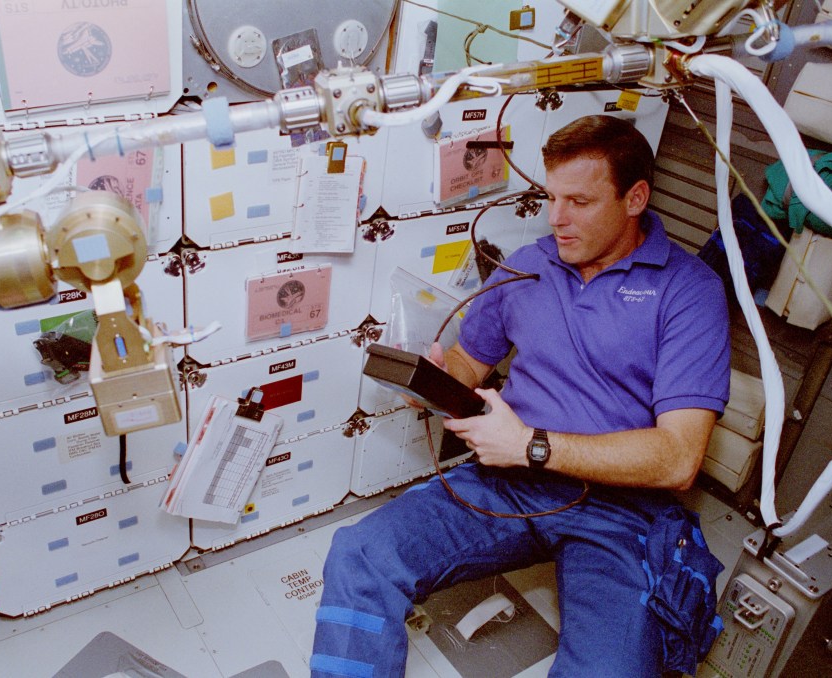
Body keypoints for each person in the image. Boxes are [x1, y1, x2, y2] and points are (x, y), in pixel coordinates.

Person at [311, 115, 731, 677]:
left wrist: (531, 445)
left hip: (621, 510)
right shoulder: (529, 265)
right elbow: (467, 363)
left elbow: (679, 458)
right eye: (551, 197)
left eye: (579, 201)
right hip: (507, 482)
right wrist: (432, 379)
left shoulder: (689, 293)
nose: (557, 219)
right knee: (361, 554)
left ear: (635, 199)